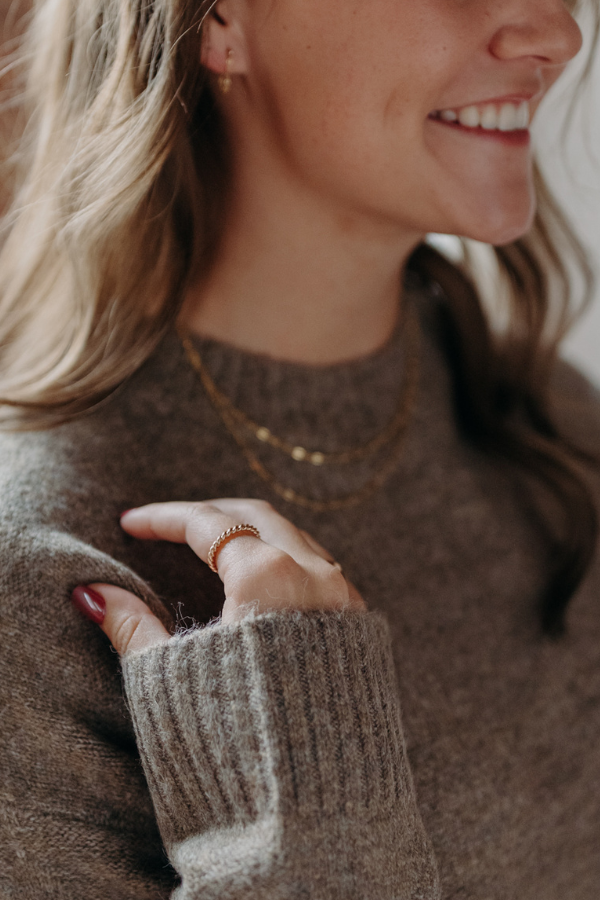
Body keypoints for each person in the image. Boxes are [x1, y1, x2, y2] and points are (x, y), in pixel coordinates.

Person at [0, 0, 599, 896]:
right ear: (220, 21)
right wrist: (303, 758)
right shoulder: (42, 574)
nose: (556, 34)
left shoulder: (556, 431)